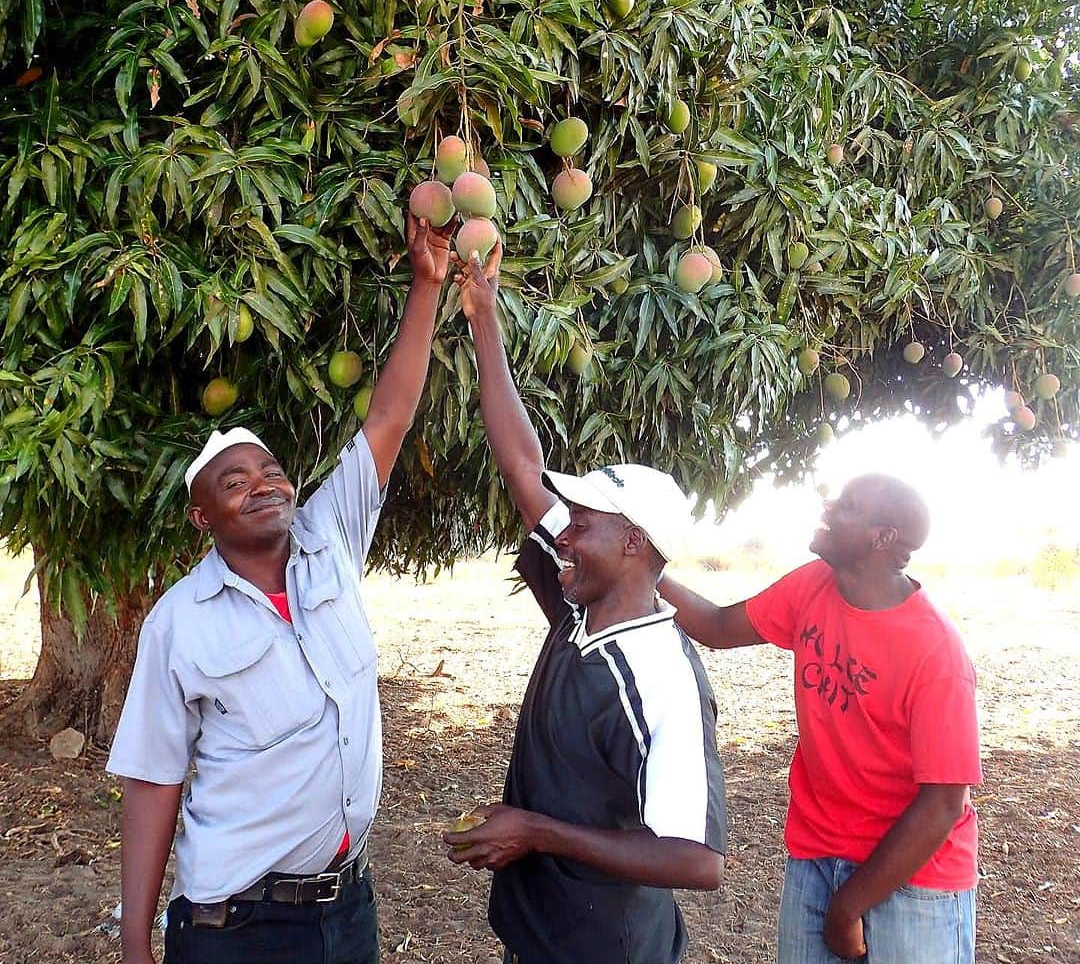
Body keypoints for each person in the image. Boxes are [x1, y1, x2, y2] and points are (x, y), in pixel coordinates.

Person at [105, 213, 454, 964]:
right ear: (203, 516)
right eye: (236, 482)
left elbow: (389, 414)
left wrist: (427, 285)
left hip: (347, 908)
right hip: (237, 928)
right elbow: (153, 782)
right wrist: (136, 946)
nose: (262, 485)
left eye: (269, 471)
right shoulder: (178, 623)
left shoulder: (330, 541)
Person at [442, 247, 727, 964]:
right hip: (540, 939)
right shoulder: (580, 612)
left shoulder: (661, 676)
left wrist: (535, 831)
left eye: (582, 522)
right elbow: (520, 464)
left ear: (635, 541)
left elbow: (696, 860)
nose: (560, 533)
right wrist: (484, 318)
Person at [659, 474, 981, 963]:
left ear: (883, 538)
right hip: (818, 854)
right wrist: (643, 567)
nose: (828, 506)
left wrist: (847, 908)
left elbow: (943, 804)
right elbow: (718, 626)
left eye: (847, 505)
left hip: (915, 878)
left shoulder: (935, 651)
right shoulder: (812, 587)